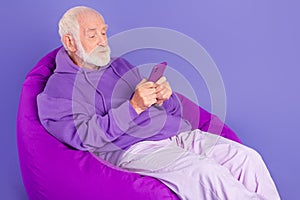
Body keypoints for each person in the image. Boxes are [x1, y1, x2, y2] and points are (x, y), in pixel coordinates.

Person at [37, 6, 280, 200]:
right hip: (136, 149)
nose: (103, 40)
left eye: (104, 32)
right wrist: (134, 107)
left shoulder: (118, 65)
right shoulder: (58, 91)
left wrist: (165, 97)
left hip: (176, 133)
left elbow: (172, 110)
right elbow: (84, 138)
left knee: (247, 157)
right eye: (92, 34)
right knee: (207, 173)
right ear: (70, 42)